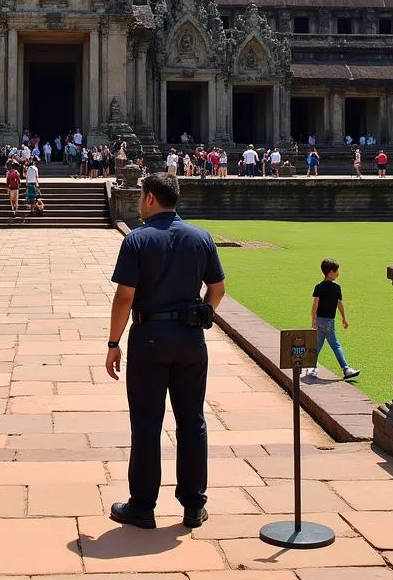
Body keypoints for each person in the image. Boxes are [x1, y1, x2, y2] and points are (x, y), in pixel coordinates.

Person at [105, 172, 226, 531]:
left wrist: (113, 343)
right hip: (190, 340)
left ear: (151, 199)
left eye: (142, 196)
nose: (140, 202)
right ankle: (193, 506)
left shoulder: (138, 240)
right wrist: (204, 314)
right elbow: (217, 288)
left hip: (149, 338)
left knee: (146, 423)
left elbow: (124, 296)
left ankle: (143, 506)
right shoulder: (200, 237)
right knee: (192, 422)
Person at [304, 258, 360, 381]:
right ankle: (346, 369)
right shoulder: (336, 288)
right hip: (329, 322)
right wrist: (344, 318)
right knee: (336, 345)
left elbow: (315, 305)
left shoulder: (319, 287)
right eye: (336, 271)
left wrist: (313, 319)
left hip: (319, 321)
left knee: (317, 345)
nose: (338, 273)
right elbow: (340, 304)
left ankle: (311, 367)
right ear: (330, 272)